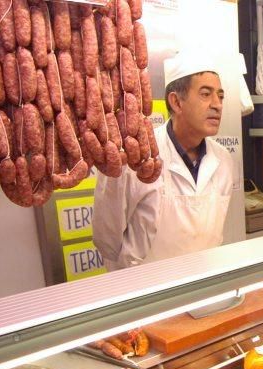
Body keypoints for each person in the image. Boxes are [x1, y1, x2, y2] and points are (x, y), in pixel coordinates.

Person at [93, 53, 235, 271]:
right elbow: (107, 240)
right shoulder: (134, 158)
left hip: (205, 287)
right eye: (206, 94)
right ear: (176, 102)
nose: (217, 105)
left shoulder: (223, 160)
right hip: (147, 293)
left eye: (221, 96)